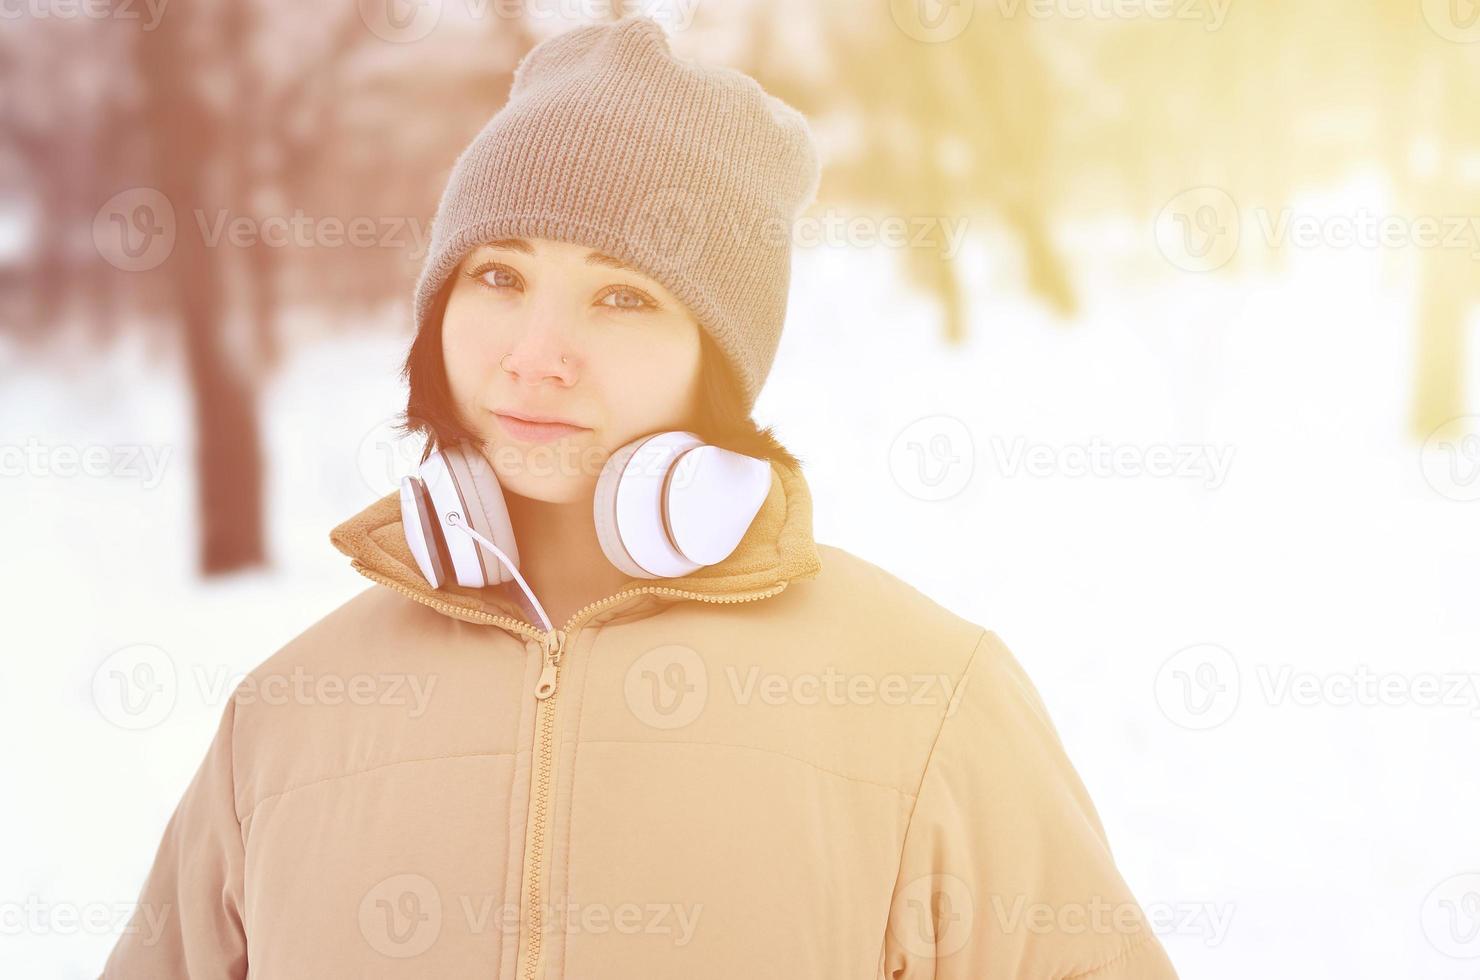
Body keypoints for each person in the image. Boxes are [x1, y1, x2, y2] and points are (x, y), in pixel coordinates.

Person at [101, 15, 1179, 979]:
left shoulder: (928, 700)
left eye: (623, 295)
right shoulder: (286, 719)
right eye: (497, 276)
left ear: (720, 365)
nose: (536, 355)